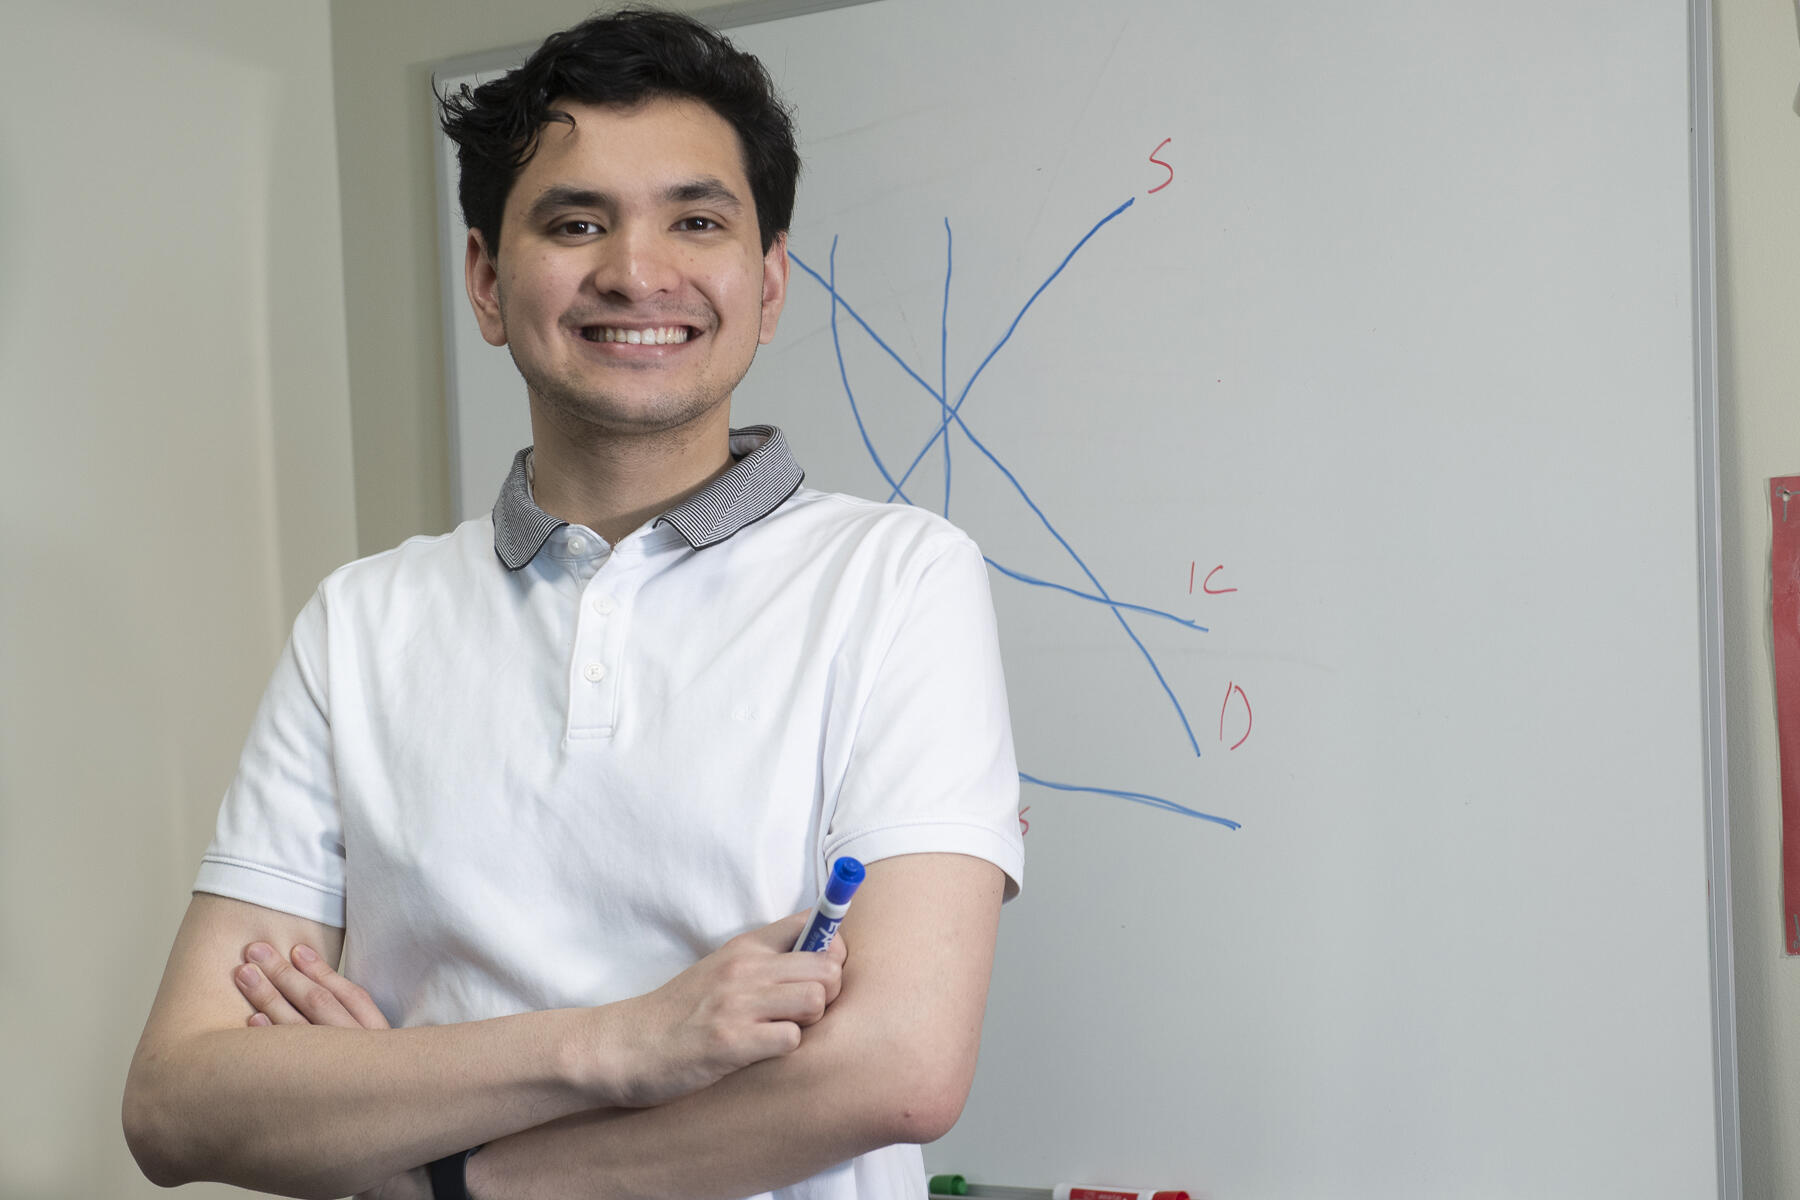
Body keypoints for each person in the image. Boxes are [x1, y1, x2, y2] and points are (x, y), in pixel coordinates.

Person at [121, 9, 1022, 1200]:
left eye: (696, 220)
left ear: (767, 282)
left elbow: (896, 1071)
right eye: (575, 221)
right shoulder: (362, 621)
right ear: (489, 283)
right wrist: (619, 1045)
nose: (636, 272)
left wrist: (448, 1174)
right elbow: (180, 1103)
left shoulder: (900, 577)